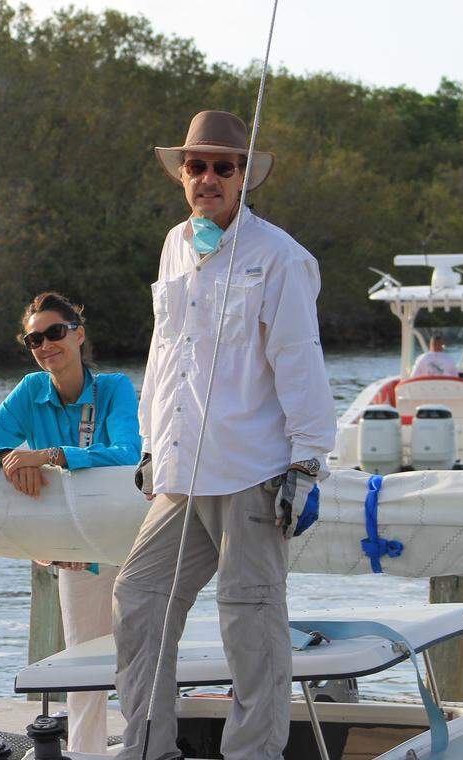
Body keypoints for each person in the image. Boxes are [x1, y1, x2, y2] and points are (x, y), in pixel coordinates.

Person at [113, 111, 337, 760]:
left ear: (245, 178)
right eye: (196, 165)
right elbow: (164, 352)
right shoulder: (174, 243)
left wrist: (307, 464)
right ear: (182, 174)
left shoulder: (282, 259)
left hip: (254, 472)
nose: (208, 177)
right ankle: (148, 749)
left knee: (250, 625)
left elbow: (300, 361)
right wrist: (151, 443)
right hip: (180, 474)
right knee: (138, 600)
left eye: (223, 166)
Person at [0, 292, 141, 754]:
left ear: (78, 334)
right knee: (84, 673)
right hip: (73, 554)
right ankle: (85, 753)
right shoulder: (29, 391)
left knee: (140, 663)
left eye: (55, 332)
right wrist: (7, 458)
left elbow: (127, 455)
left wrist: (51, 456)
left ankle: (147, 747)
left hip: (129, 546)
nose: (46, 344)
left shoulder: (115, 387)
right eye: (34, 338)